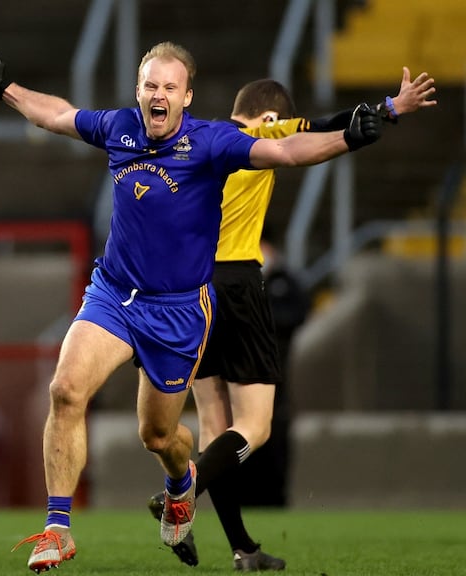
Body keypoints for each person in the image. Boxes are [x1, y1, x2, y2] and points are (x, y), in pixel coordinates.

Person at [0, 41, 381, 573]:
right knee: (66, 390)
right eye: (150, 86)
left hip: (179, 312)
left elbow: (285, 151)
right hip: (114, 295)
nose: (158, 95)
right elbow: (55, 114)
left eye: (169, 87)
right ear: (138, 91)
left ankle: (182, 483)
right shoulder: (120, 127)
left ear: (186, 96)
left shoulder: (211, 142)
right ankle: (57, 529)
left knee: (159, 436)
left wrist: (348, 137)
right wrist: (5, 87)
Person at [146, 69, 436, 571]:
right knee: (254, 428)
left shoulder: (194, 138)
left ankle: (242, 548)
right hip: (236, 284)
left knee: (216, 426)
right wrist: (390, 109)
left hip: (185, 292)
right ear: (271, 115)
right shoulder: (260, 133)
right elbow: (324, 126)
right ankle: (184, 488)